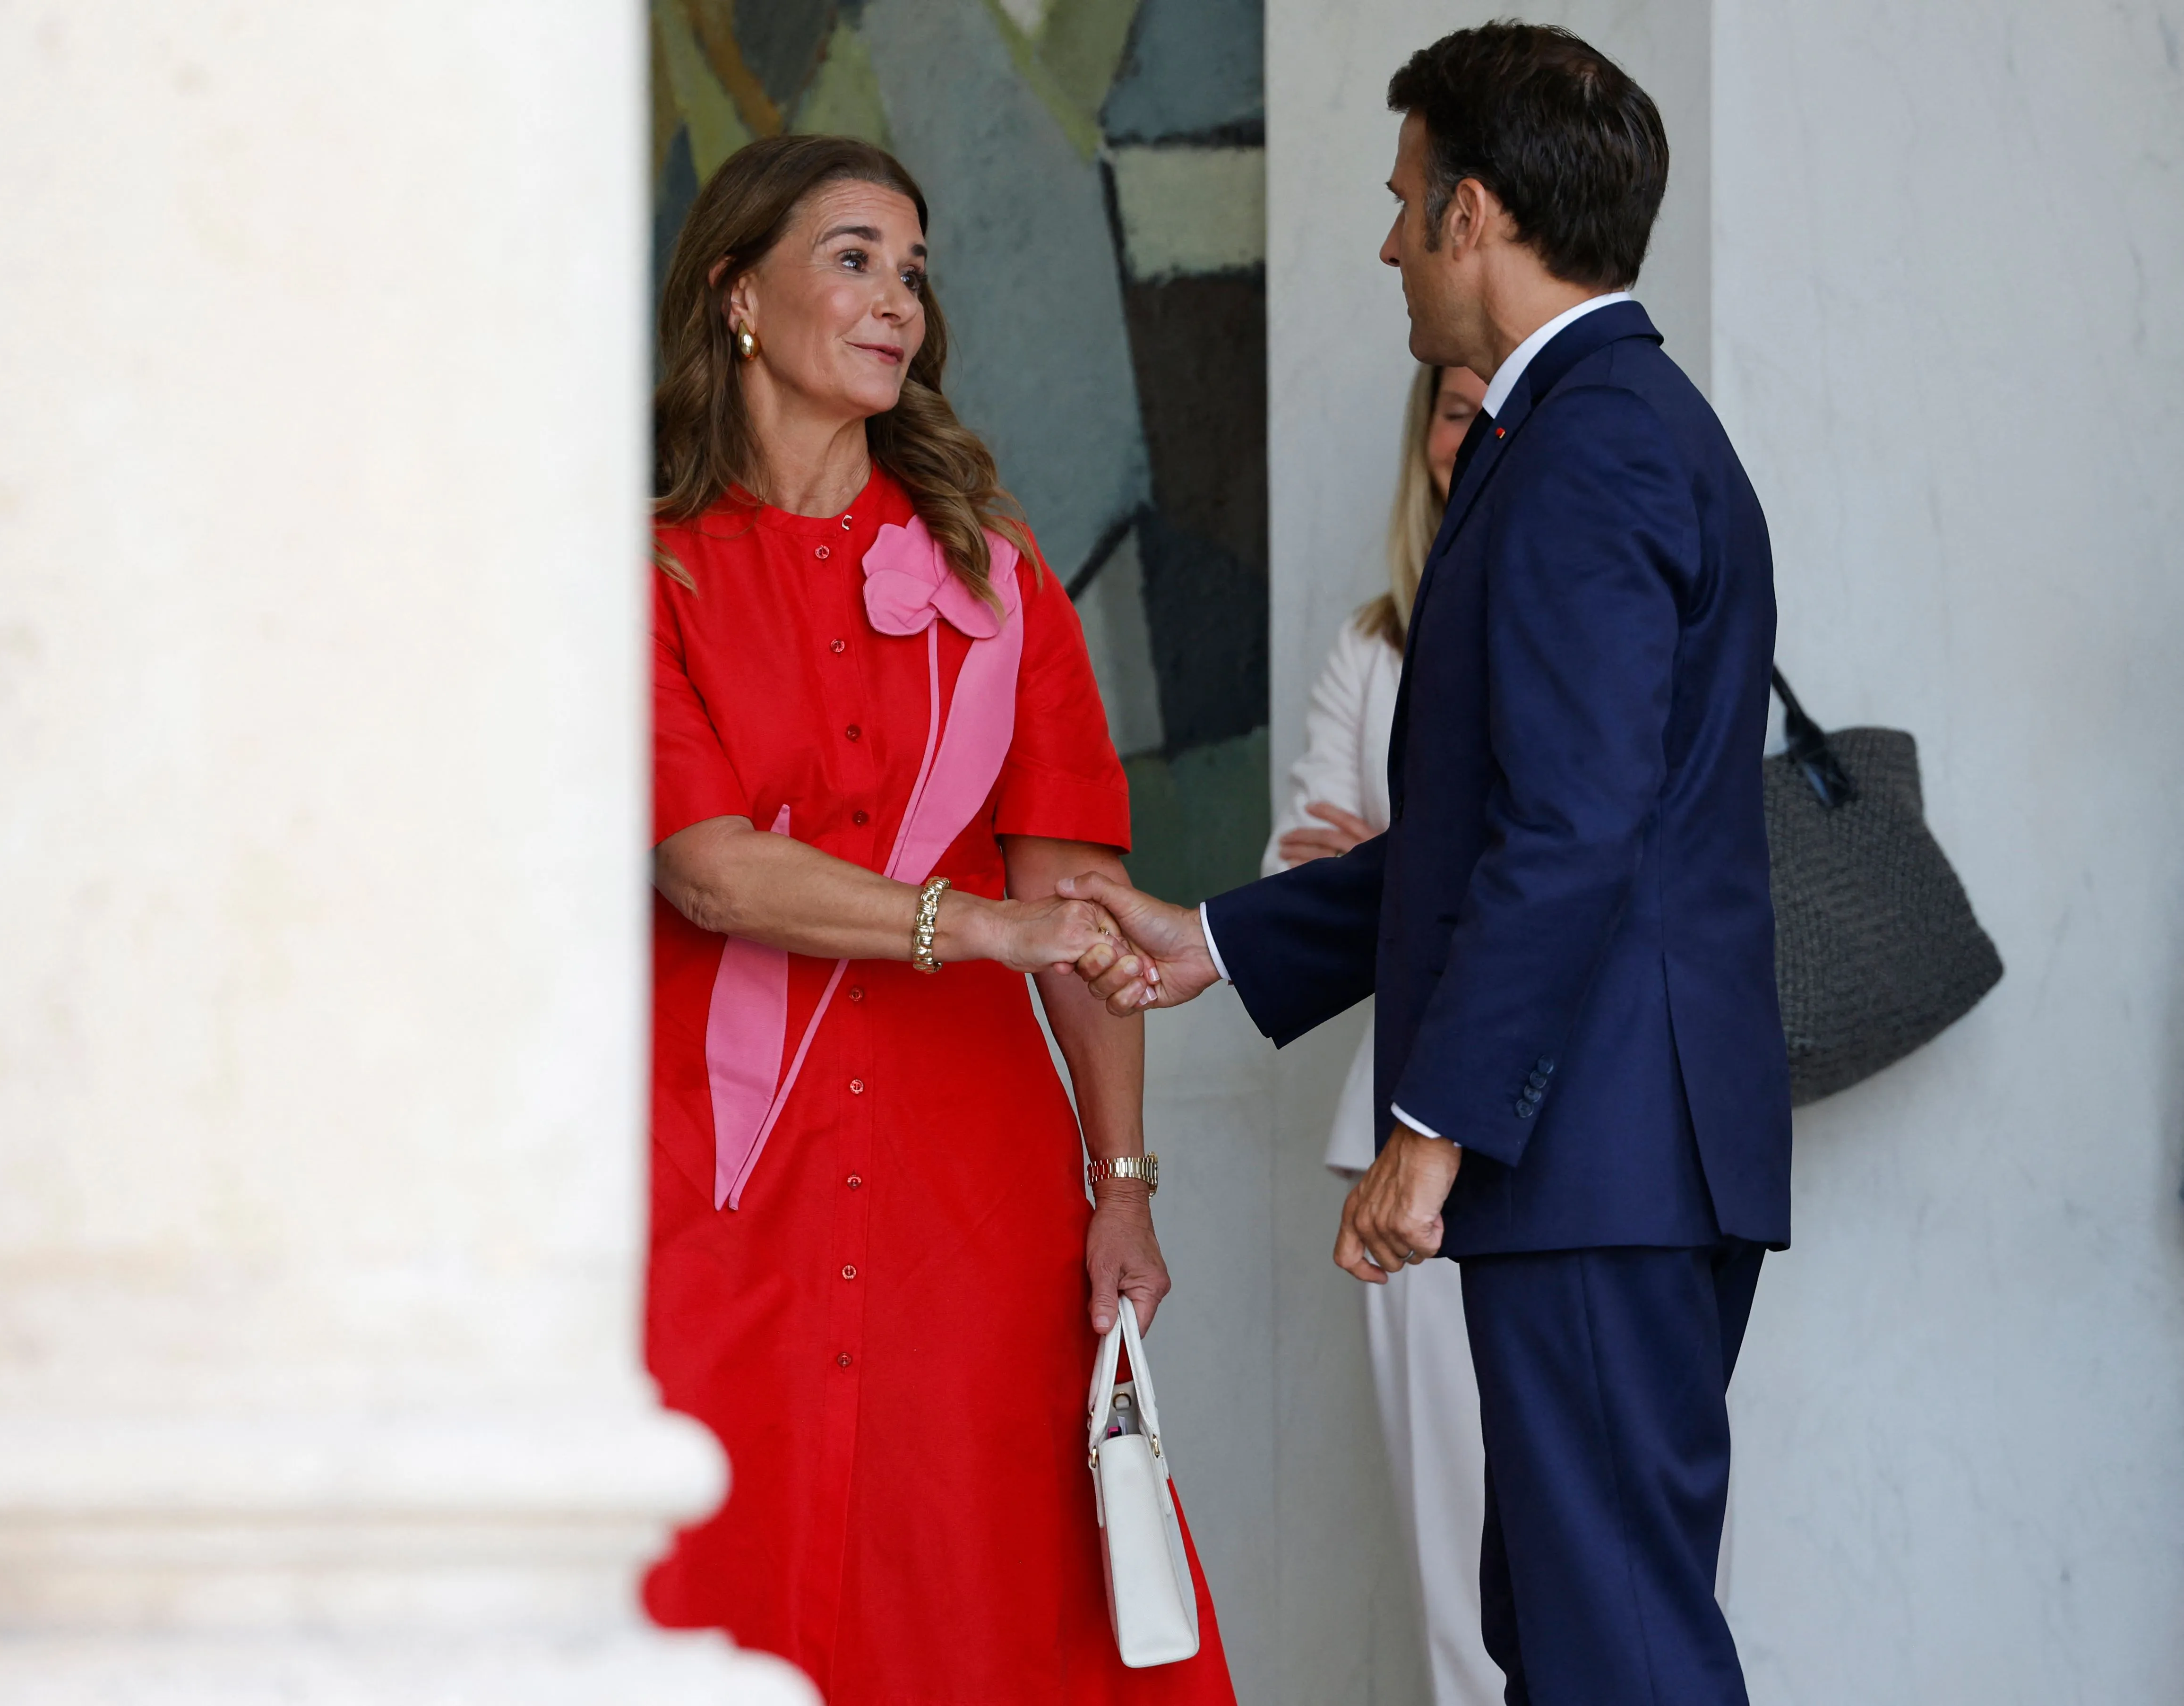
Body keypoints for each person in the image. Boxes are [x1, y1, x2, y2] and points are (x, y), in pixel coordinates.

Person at [1066, 25, 1790, 1705]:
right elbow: (1496, 823)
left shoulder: (1588, 442)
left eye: (1402, 202)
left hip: (1597, 1147)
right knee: (1560, 1629)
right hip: (1614, 1144)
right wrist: (1215, 940)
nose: (1384, 243)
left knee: (1608, 1644)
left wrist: (1431, 1125)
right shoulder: (1600, 424)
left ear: (1474, 214)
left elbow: (1571, 828)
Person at [640, 135, 1238, 1705]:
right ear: (737, 295)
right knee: (703, 1557)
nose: (896, 296)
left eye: (913, 269)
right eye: (851, 256)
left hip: (962, 1189)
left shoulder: (1002, 587)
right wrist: (972, 930)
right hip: (712, 1165)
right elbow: (707, 868)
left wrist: (1119, 1188)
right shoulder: (645, 578)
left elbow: (1077, 912)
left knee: (961, 1580)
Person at [1267, 361, 1504, 1706]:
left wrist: (1397, 867)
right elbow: (1297, 864)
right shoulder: (1375, 647)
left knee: (1585, 1544)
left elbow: (1566, 857)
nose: (1470, 436)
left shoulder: (1580, 604)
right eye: (1452, 410)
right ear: (1423, 440)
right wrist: (1411, 877)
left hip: (1562, 1130)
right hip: (1394, 1130)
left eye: (1492, 408)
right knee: (1448, 1545)